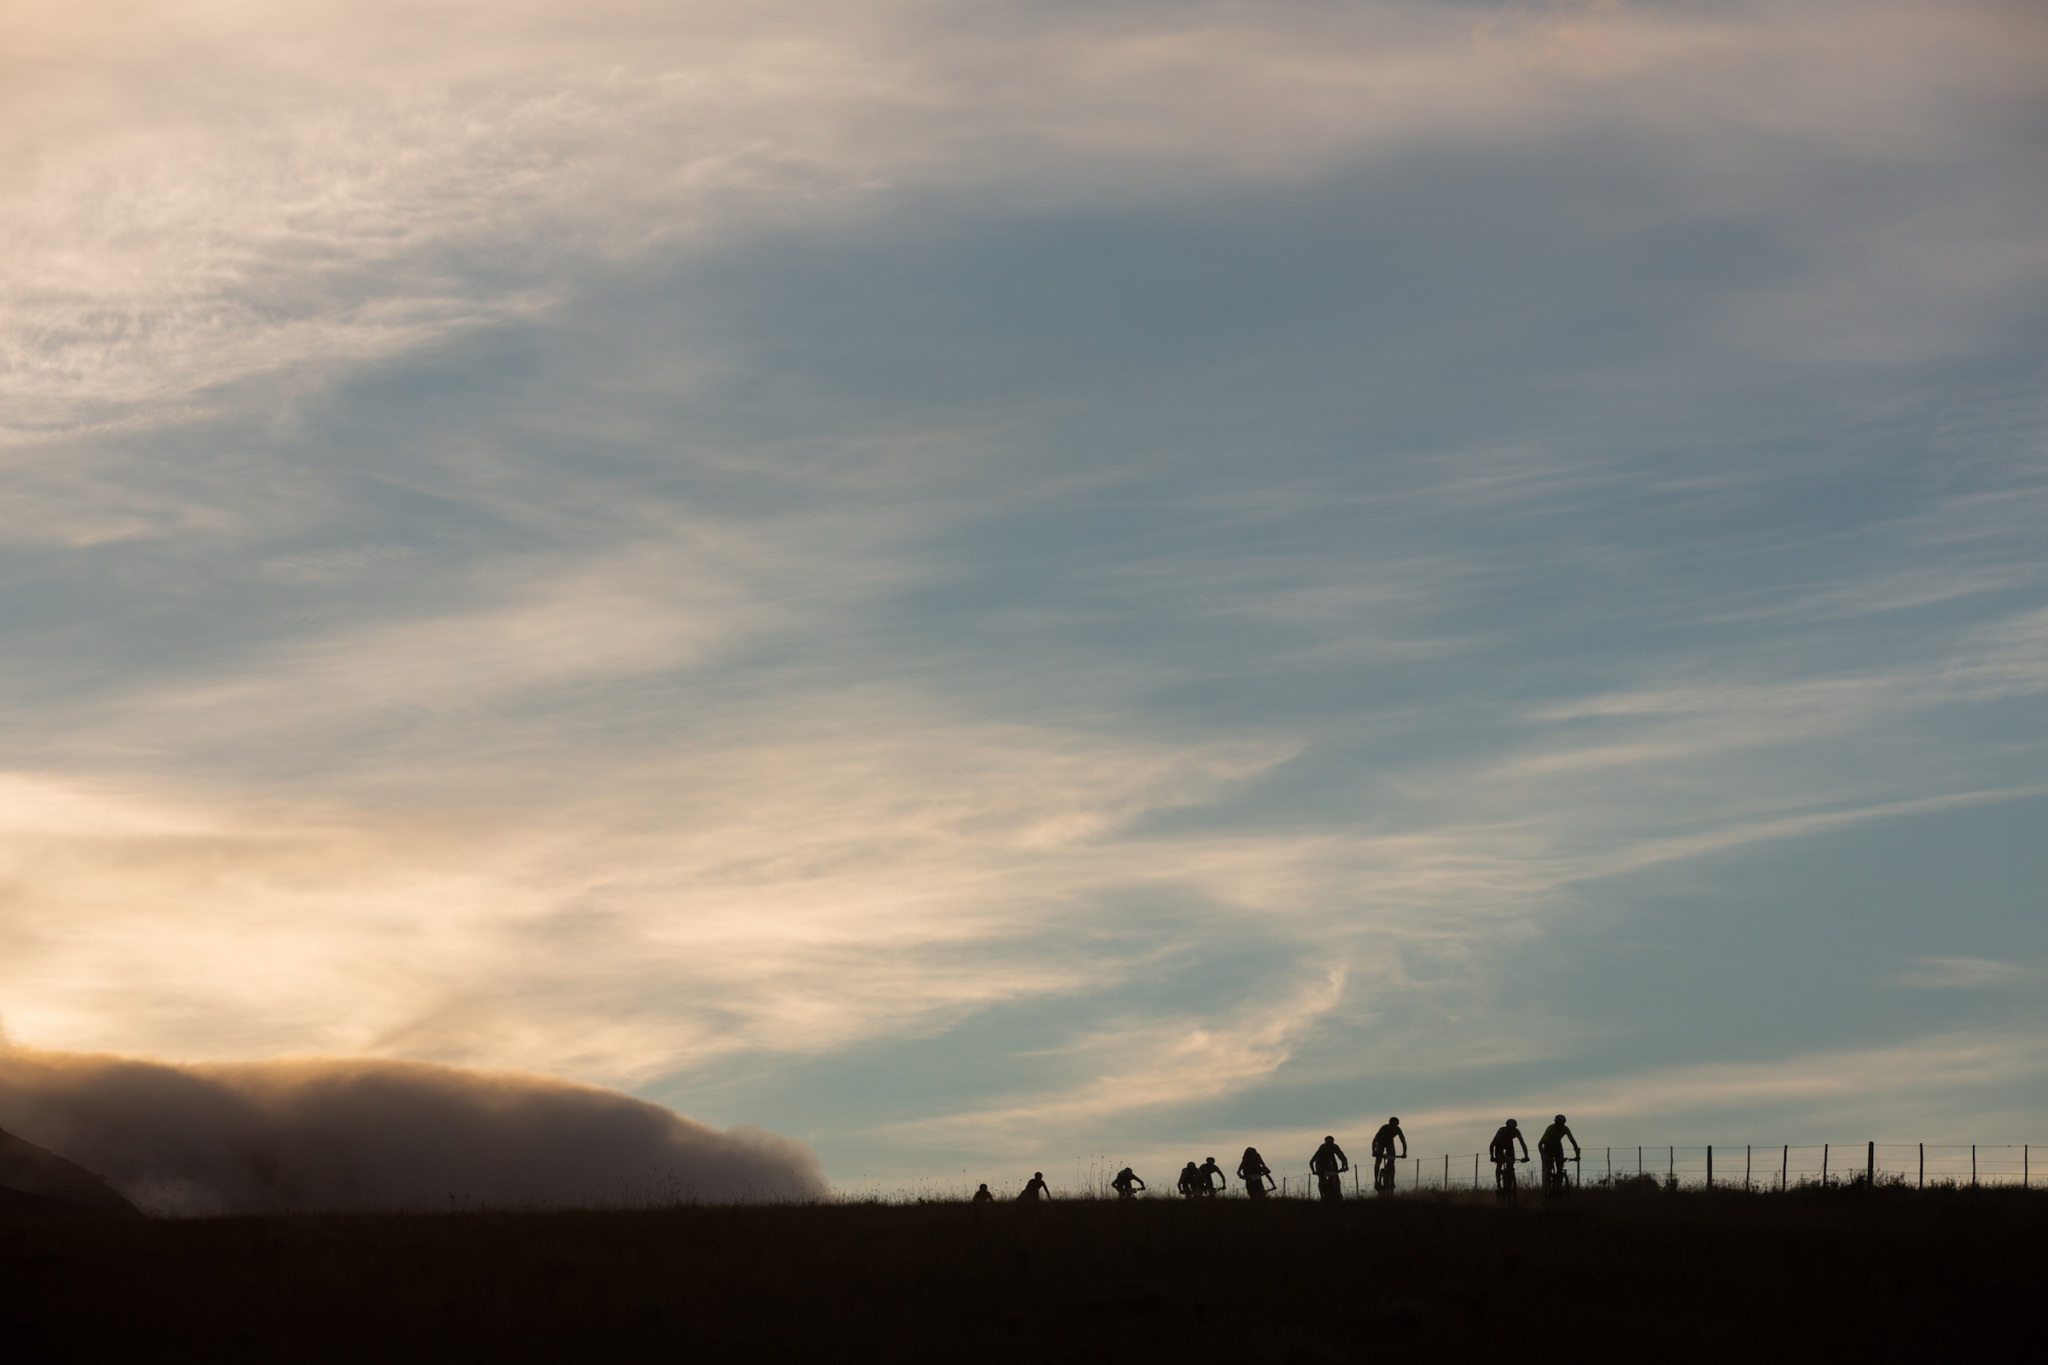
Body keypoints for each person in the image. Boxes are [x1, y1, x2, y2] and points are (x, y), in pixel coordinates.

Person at [1538, 1114, 1580, 1195]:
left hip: (1557, 1146)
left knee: (1560, 1167)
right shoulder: (1550, 1128)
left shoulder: (1565, 1129)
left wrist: (1577, 1155)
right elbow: (1540, 1143)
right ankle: (1548, 1186)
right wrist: (1543, 1155)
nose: (1560, 1126)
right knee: (1549, 1167)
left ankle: (1559, 1185)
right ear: (1555, 1123)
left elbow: (1573, 1142)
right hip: (1548, 1146)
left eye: (1562, 1124)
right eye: (1558, 1124)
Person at [1490, 1119, 1529, 1202]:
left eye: (1512, 1128)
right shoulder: (1501, 1131)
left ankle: (1510, 1180)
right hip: (1499, 1145)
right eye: (1509, 1128)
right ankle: (1498, 1184)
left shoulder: (1516, 1132)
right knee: (1499, 1162)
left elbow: (1522, 1144)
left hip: (1509, 1145)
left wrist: (1526, 1156)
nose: (1510, 1130)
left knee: (1510, 1163)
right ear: (1506, 1127)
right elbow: (1492, 1145)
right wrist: (1492, 1156)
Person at [1370, 1117, 1407, 1194]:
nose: (1394, 1128)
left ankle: (1392, 1181)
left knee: (1392, 1161)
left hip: (1389, 1143)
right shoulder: (1384, 1128)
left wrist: (1404, 1153)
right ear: (1389, 1124)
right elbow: (1375, 1140)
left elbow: (1403, 1141)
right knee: (1378, 1161)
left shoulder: (1398, 1129)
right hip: (1380, 1143)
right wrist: (1373, 1151)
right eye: (1393, 1126)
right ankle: (1376, 1180)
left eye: (1395, 1126)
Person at [1310, 1134, 1350, 1203]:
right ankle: (1322, 1194)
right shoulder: (1322, 1148)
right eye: (1328, 1144)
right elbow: (1312, 1161)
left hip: (1330, 1164)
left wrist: (1344, 1167)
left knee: (1335, 1178)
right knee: (1322, 1179)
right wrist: (1314, 1171)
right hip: (1320, 1164)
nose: (1329, 1147)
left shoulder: (1335, 1147)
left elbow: (1343, 1157)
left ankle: (1336, 1192)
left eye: (1330, 1144)